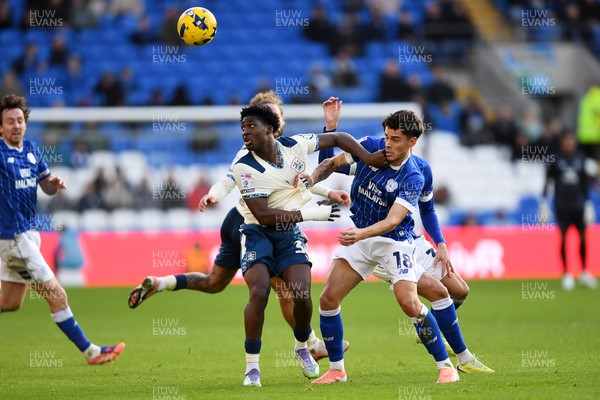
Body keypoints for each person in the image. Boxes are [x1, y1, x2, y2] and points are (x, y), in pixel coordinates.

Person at [128, 92, 352, 365]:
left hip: (238, 221)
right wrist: (214, 195)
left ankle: (163, 283)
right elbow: (227, 179)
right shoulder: (251, 151)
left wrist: (329, 193)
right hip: (254, 225)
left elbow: (295, 182)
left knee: (215, 283)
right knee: (284, 288)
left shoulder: (281, 149)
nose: (278, 120)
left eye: (278, 115)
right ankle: (308, 344)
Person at [301, 110, 492, 384]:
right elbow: (332, 164)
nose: (388, 144)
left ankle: (447, 367)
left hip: (394, 242)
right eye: (387, 137)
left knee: (411, 302)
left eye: (396, 139)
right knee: (328, 299)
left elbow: (394, 221)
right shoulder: (370, 147)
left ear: (412, 142)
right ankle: (337, 370)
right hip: (362, 236)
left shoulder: (414, 175)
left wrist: (440, 242)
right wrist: (313, 174)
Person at [232, 104, 387, 387]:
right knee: (260, 291)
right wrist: (311, 213)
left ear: (271, 129)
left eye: (251, 126)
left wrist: (366, 158)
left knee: (302, 295)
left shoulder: (294, 145)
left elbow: (339, 139)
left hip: (288, 233)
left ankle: (302, 346)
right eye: (243, 127)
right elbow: (264, 215)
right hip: (257, 233)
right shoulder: (243, 166)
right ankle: (252, 367)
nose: (245, 132)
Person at [0, 94, 124, 365]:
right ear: (0, 127)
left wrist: (53, 185)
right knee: (57, 295)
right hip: (14, 237)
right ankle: (91, 351)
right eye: (9, 122)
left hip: (28, 235)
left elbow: (44, 184)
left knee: (10, 303)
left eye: (19, 120)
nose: (16, 126)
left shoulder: (31, 150)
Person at [541, 133, 597, 290]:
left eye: (571, 142)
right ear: (562, 143)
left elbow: (585, 183)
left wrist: (588, 204)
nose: (569, 145)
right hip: (562, 206)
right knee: (564, 239)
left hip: (578, 206)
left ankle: (585, 272)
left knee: (583, 238)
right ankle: (567, 273)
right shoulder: (555, 159)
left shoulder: (580, 158)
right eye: (566, 142)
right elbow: (548, 182)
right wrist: (544, 203)